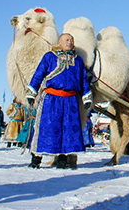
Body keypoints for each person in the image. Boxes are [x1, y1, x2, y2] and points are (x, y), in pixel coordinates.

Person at [25, 33, 92, 169]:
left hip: (71, 100)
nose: (70, 42)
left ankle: (62, 161)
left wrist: (86, 96)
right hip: (51, 99)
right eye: (67, 40)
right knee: (47, 128)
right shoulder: (49, 57)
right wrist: (32, 92)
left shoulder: (78, 60)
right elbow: (39, 74)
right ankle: (36, 160)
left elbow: (83, 80)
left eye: (72, 40)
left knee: (67, 130)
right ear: (59, 42)